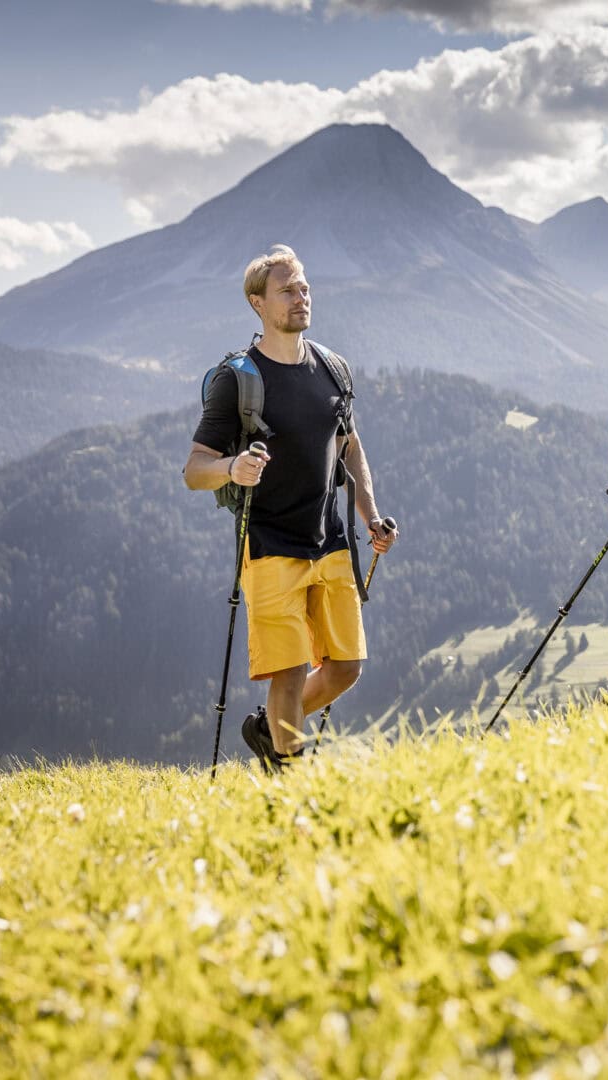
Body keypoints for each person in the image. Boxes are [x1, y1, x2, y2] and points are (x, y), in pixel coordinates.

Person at [184, 244, 397, 772]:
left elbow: (350, 447)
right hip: (270, 541)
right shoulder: (239, 379)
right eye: (287, 290)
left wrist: (370, 512)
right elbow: (194, 469)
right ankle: (289, 776)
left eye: (304, 287)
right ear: (257, 303)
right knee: (289, 668)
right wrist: (231, 468)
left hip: (330, 539)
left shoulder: (333, 369)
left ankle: (270, 730)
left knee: (346, 667)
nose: (300, 297)